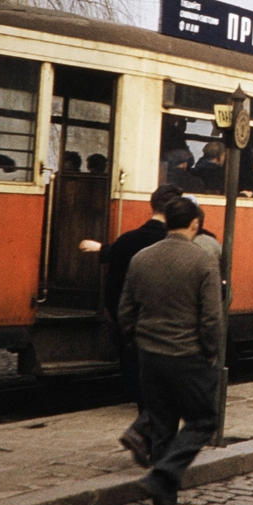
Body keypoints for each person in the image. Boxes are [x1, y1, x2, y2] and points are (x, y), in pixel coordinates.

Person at [116, 195, 222, 505]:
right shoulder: (202, 260)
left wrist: (140, 339)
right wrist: (210, 350)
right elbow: (211, 319)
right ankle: (161, 476)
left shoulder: (142, 258)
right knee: (204, 420)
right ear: (195, 225)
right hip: (187, 354)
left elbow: (125, 311)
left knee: (162, 427)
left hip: (149, 355)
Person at [78, 185, 184, 465]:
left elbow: (114, 292)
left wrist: (122, 324)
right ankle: (156, 448)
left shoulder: (126, 241)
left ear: (152, 206)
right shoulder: (184, 245)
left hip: (134, 330)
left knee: (144, 390)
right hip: (172, 331)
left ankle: (148, 443)